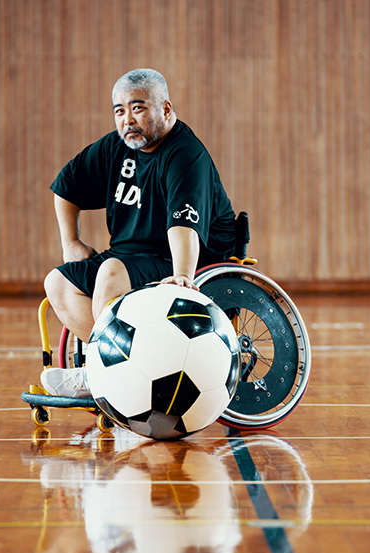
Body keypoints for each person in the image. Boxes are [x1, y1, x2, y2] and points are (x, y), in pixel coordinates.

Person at [40, 68, 237, 398]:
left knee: (111, 271)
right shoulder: (116, 148)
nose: (127, 119)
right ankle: (117, 366)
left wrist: (182, 275)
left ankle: (99, 373)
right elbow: (66, 185)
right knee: (58, 282)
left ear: (166, 109)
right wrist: (70, 242)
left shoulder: (185, 154)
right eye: (119, 110)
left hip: (181, 256)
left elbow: (183, 224)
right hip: (129, 256)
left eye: (138, 107)